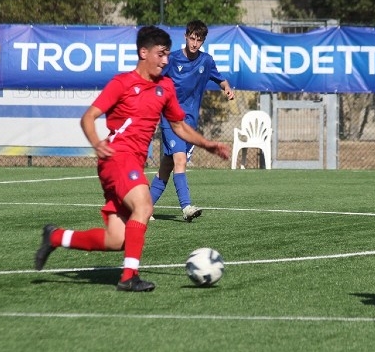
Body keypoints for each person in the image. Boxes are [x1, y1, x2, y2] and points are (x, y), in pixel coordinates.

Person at [34, 25, 230, 292]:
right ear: (143, 52)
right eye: (160, 55)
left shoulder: (165, 87)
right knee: (144, 205)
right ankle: (128, 276)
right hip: (117, 157)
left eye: (167, 55)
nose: (165, 60)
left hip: (132, 163)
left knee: (117, 240)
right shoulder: (122, 83)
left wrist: (208, 144)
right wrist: (96, 143)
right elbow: (88, 117)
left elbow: (180, 126)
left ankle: (56, 236)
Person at [149, 20, 235, 222]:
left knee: (166, 166)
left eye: (199, 40)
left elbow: (220, 79)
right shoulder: (172, 59)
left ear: (203, 41)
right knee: (180, 160)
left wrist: (227, 87)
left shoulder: (206, 61)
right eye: (192, 38)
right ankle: (186, 206)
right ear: (185, 36)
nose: (195, 43)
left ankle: (143, 208)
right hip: (171, 119)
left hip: (190, 124)